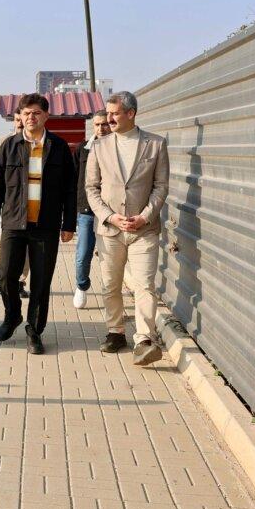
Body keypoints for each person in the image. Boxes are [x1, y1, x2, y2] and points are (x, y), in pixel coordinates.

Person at [0, 94, 77, 355]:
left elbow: (70, 189)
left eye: (36, 113)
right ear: (20, 116)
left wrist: (68, 224)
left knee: (41, 281)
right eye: (26, 113)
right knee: (5, 277)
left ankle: (34, 330)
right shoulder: (9, 146)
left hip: (46, 225)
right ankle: (12, 315)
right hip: (14, 223)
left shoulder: (59, 147)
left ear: (46, 116)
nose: (30, 117)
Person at [86, 91, 170, 365]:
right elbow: (91, 189)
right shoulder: (99, 146)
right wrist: (109, 216)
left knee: (145, 284)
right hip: (110, 230)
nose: (108, 119)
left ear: (131, 113)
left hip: (144, 229)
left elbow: (161, 187)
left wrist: (145, 216)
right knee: (111, 285)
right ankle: (116, 331)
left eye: (114, 113)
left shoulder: (156, 145)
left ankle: (145, 340)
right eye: (107, 113)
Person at [0, 113, 29, 297]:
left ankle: (20, 281)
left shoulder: (36, 143)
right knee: (2, 246)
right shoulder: (5, 142)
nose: (21, 122)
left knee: (26, 250)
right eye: (18, 119)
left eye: (24, 118)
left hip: (30, 209)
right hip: (9, 208)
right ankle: (1, 274)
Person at [73, 111, 111, 308]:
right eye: (97, 125)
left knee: (110, 256)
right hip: (86, 211)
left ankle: (111, 292)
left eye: (104, 124)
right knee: (83, 254)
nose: (101, 129)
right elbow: (73, 180)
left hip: (111, 213)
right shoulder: (83, 149)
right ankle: (81, 286)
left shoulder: (117, 149)